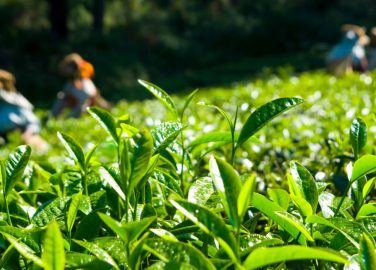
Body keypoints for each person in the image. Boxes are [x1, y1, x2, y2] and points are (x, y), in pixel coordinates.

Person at [51, 53, 110, 118]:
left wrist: (72, 117)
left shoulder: (85, 81)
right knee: (61, 98)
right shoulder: (69, 83)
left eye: (71, 67)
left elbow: (89, 97)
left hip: (88, 103)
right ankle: (53, 116)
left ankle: (73, 117)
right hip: (76, 101)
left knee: (98, 103)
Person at [0, 69, 47, 149]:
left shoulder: (14, 100)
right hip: (3, 138)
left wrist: (27, 135)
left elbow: (32, 122)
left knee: (33, 146)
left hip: (21, 134)